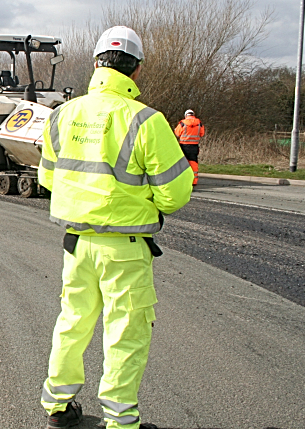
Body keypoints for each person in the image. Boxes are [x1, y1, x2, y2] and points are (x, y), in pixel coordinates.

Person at [38, 26, 193, 429]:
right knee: (125, 332)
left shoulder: (62, 116)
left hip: (77, 244)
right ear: (136, 71)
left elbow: (49, 180)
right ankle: (121, 421)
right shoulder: (146, 120)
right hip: (125, 247)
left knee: (72, 322)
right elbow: (175, 194)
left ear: (95, 65)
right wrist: (144, 204)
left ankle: (58, 406)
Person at [174, 109, 205, 186]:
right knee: (193, 163)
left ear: (186, 115)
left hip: (183, 146)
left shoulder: (182, 124)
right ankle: (194, 181)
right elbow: (202, 133)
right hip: (194, 146)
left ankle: (182, 180)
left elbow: (177, 133)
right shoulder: (199, 124)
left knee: (182, 163)